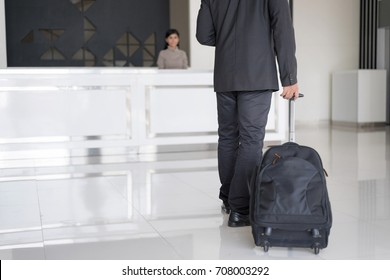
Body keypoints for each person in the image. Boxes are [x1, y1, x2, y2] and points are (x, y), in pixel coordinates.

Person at [196, 0, 299, 227]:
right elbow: (283, 29)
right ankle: (240, 208)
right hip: (257, 73)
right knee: (251, 139)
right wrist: (289, 78)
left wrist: (228, 39)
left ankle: (229, 198)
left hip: (225, 75)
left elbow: (204, 35)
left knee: (228, 137)